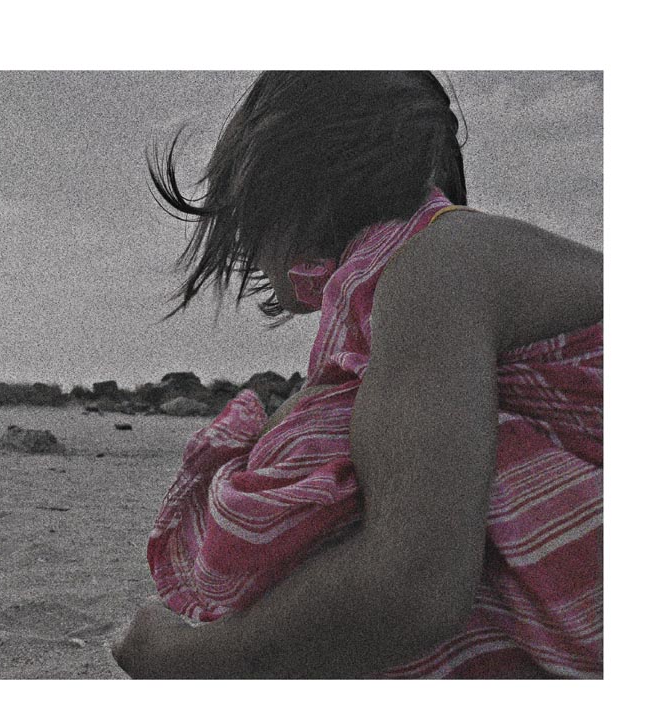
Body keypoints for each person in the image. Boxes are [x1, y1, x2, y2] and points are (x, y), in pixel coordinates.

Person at [111, 72, 602, 678]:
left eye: (241, 220)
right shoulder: (416, 273)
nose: (243, 250)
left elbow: (414, 589)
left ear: (285, 185)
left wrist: (184, 660)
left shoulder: (437, 267)